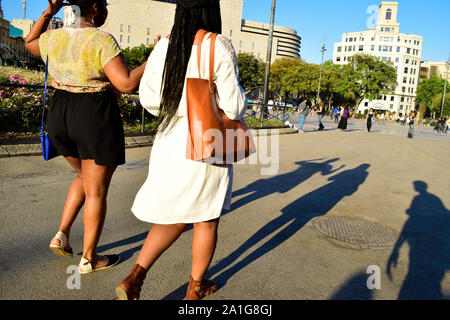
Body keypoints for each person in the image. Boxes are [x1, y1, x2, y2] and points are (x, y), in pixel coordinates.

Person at [115, 0, 247, 300]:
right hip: (206, 142)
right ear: (211, 12)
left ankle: (135, 276)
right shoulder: (219, 45)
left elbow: (149, 99)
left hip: (170, 140)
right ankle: (196, 289)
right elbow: (234, 106)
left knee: (174, 216)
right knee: (206, 217)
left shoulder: (164, 46)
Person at [24, 0, 147, 273]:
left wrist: (48, 13)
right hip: (93, 116)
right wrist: (152, 60)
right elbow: (126, 83)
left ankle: (62, 234)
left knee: (82, 176)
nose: (105, 7)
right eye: (103, 3)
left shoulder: (54, 37)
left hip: (59, 114)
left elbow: (29, 43)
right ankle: (89, 258)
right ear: (93, 6)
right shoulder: (101, 39)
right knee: (96, 192)